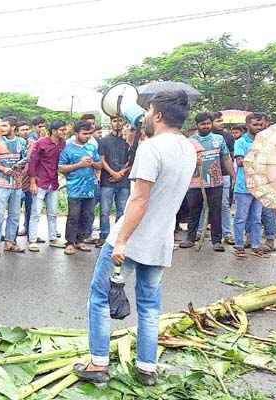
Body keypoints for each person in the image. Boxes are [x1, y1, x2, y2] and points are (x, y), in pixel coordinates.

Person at [75, 90, 196, 386]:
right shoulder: (189, 148)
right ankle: (146, 369)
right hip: (160, 242)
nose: (144, 116)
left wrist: (122, 241)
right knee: (150, 305)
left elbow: (140, 199)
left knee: (100, 297)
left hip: (131, 239)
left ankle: (98, 364)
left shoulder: (152, 148)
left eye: (149, 110)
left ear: (157, 115)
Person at [179, 113, 235, 251]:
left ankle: (217, 241)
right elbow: (183, 162)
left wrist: (234, 176)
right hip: (195, 183)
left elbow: (226, 159)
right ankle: (190, 238)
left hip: (215, 182)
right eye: (203, 124)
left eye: (208, 123)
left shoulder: (219, 139)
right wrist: (193, 161)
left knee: (216, 212)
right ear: (197, 125)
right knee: (194, 211)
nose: (206, 126)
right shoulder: (190, 141)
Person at [59, 120, 102, 255]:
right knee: (73, 216)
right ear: (76, 133)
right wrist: (79, 164)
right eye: (84, 133)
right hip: (74, 188)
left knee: (87, 215)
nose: (87, 136)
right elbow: (61, 168)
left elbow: (100, 165)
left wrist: (92, 163)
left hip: (90, 187)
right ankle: (70, 242)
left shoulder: (91, 148)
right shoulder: (68, 149)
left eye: (89, 133)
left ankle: (80, 240)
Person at [0, 117, 28, 256]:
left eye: (5, 125)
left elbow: (25, 158)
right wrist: (3, 169)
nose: (2, 128)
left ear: (13, 127)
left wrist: (20, 167)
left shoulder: (21, 142)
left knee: (15, 214)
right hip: (1, 182)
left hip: (17, 182)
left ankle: (10, 242)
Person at [233, 112, 269, 258]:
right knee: (241, 218)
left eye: (261, 124)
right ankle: (239, 245)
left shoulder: (265, 142)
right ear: (248, 125)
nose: (258, 127)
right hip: (244, 186)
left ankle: (255, 245)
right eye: (255, 124)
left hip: (260, 186)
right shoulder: (240, 142)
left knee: (256, 218)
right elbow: (240, 162)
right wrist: (257, 158)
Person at [27, 120, 67, 251]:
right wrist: (32, 182)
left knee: (53, 213)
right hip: (40, 181)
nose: (64, 132)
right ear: (54, 131)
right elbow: (32, 162)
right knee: (36, 212)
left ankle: (53, 238)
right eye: (62, 130)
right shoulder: (41, 143)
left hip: (54, 182)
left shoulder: (63, 144)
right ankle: (32, 240)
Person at [97, 117, 131, 248]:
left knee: (122, 211)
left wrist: (121, 173)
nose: (118, 123)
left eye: (120, 121)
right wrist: (113, 173)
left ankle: (118, 237)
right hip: (107, 181)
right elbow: (102, 160)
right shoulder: (104, 141)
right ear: (111, 123)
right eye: (115, 121)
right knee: (105, 210)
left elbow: (131, 160)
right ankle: (104, 235)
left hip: (124, 182)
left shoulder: (128, 141)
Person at [211, 112, 236, 245]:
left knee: (225, 204)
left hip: (224, 174)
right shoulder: (204, 136)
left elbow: (230, 156)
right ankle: (197, 233)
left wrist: (233, 176)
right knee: (204, 206)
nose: (221, 123)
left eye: (222, 120)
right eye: (218, 121)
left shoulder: (227, 136)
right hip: (207, 175)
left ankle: (227, 234)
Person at [16, 121, 35, 238]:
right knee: (15, 211)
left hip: (30, 182)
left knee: (30, 209)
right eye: (22, 129)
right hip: (17, 182)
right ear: (17, 131)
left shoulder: (34, 144)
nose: (25, 132)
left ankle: (29, 231)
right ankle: (13, 234)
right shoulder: (14, 144)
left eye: (27, 129)